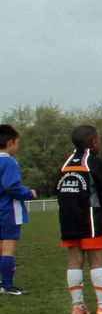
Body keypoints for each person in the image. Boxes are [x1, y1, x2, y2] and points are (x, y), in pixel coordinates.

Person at [57, 125, 102, 314]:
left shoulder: (65, 163)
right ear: (94, 141)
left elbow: (59, 191)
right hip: (90, 219)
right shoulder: (95, 163)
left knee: (74, 260)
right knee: (96, 259)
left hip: (68, 220)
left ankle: (77, 307)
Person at [0, 124, 37, 296]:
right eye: (17, 142)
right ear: (9, 143)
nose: (17, 146)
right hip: (8, 211)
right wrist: (29, 193)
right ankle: (7, 286)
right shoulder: (9, 162)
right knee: (8, 249)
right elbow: (11, 186)